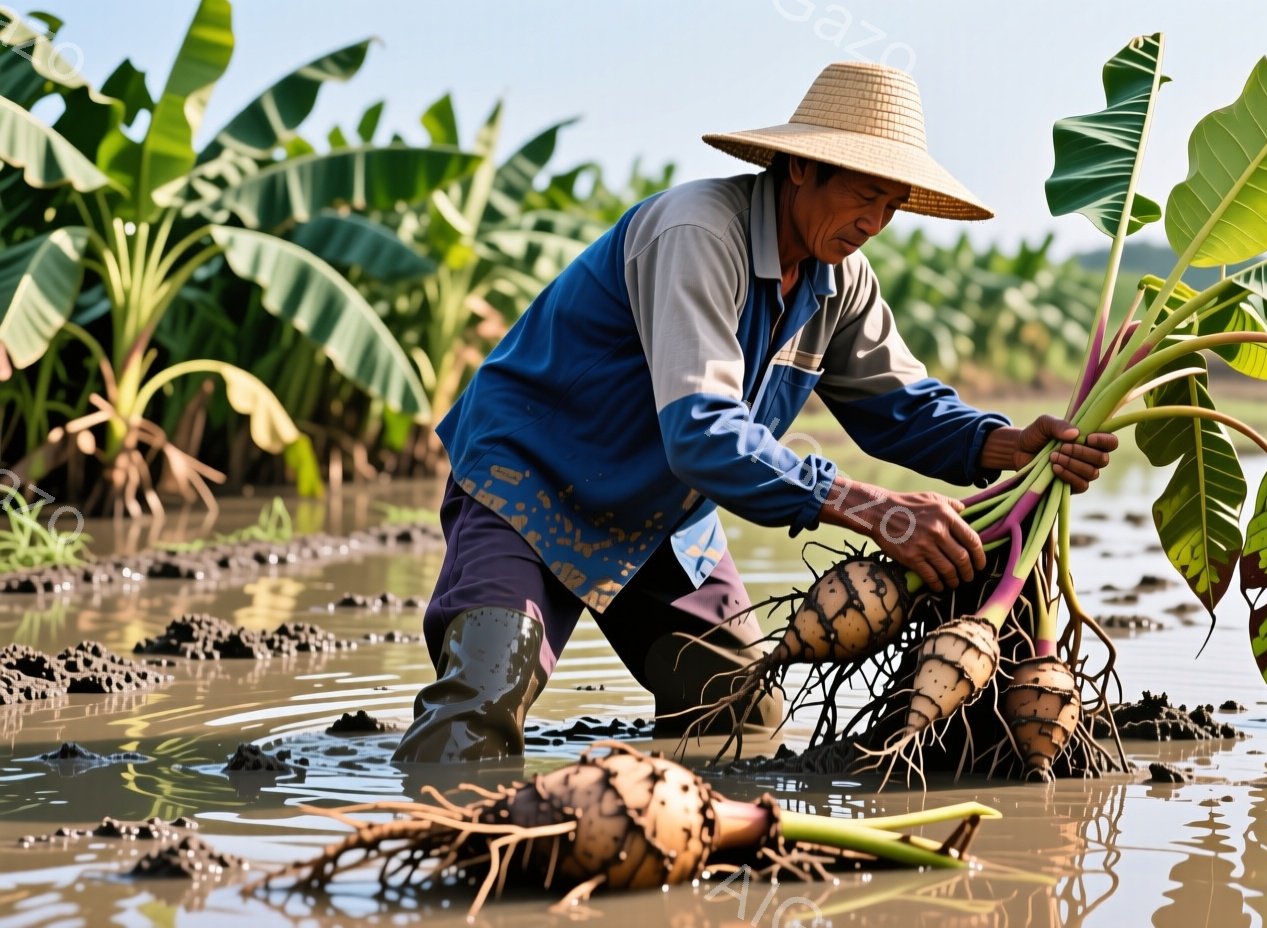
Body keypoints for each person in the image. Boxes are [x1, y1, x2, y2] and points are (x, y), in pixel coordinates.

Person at [394, 61, 1117, 763]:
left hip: (661, 520)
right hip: (532, 483)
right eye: (865, 193)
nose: (876, 221)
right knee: (479, 708)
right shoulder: (700, 233)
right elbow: (703, 432)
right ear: (800, 168)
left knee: (741, 710)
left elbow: (899, 406)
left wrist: (1008, 444)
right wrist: (875, 509)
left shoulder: (842, 282)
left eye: (893, 204)